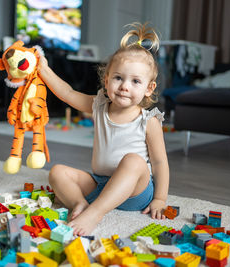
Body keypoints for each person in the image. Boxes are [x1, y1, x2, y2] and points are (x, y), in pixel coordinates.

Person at [38, 22, 170, 236]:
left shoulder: (148, 121)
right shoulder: (98, 105)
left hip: (136, 193)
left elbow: (159, 162)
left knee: (134, 161)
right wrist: (43, 68)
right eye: (118, 78)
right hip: (99, 184)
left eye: (136, 81)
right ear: (106, 80)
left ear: (149, 88)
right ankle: (80, 204)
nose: (125, 86)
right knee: (57, 172)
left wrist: (160, 199)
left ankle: (95, 213)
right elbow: (67, 93)